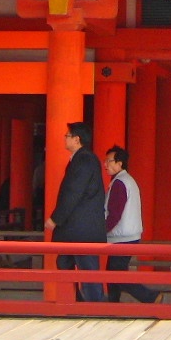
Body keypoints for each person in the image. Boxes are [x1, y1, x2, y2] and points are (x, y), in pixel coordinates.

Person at [45, 123, 106, 301]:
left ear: (77, 139)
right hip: (75, 228)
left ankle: (95, 306)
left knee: (87, 269)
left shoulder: (85, 159)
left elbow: (74, 192)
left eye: (67, 135)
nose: (65, 138)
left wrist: (56, 218)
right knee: (65, 263)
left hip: (81, 229)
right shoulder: (81, 159)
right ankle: (76, 302)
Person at [103, 145, 157, 304]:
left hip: (122, 237)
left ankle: (151, 297)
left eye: (109, 161)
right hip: (126, 235)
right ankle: (113, 303)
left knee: (117, 274)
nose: (105, 164)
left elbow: (114, 214)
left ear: (120, 163)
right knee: (113, 272)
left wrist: (101, 231)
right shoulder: (126, 181)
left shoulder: (120, 183)